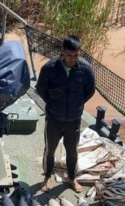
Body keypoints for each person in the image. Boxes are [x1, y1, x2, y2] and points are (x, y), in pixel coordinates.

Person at [36, 35, 96, 193]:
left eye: (76, 55)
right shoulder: (49, 68)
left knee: (72, 151)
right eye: (69, 55)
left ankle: (71, 177)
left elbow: (90, 91)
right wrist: (53, 103)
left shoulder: (86, 70)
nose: (73, 59)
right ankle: (47, 176)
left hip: (74, 120)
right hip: (54, 119)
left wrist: (77, 104)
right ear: (62, 51)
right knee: (50, 150)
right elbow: (40, 89)